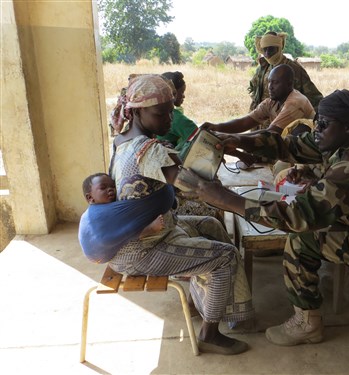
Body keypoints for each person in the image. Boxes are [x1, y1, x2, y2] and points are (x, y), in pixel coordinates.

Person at [176, 89, 349, 347]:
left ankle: (307, 324)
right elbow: (286, 146)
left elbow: (298, 217)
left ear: (346, 128)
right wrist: (236, 140)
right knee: (317, 212)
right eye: (317, 121)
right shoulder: (346, 141)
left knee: (302, 240)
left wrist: (226, 199)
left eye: (323, 124)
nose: (317, 129)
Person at [81, 74, 254, 355]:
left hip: (140, 236)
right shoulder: (148, 151)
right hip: (140, 250)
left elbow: (175, 174)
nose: (169, 120)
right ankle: (210, 333)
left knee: (210, 224)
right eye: (161, 113)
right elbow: (197, 187)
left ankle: (209, 305)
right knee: (226, 257)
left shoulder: (122, 139)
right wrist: (248, 208)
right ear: (137, 111)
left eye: (171, 111)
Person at [202, 64, 315, 168]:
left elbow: (271, 134)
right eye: (269, 82)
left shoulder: (294, 103)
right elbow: (245, 122)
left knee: (280, 168)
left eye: (275, 82)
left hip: (306, 154)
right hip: (285, 148)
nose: (270, 87)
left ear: (289, 84)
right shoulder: (272, 102)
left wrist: (233, 138)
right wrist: (217, 127)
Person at [248, 31, 323, 114]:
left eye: (271, 49)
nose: (267, 53)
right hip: (262, 118)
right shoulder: (262, 68)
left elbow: (314, 97)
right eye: (265, 49)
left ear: (279, 48)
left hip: (286, 119)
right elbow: (253, 89)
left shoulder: (294, 68)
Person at [82, 172, 165, 238]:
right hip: (99, 250)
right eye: (103, 188)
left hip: (98, 253)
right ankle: (149, 229)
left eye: (113, 186)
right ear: (90, 197)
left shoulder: (112, 206)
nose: (110, 189)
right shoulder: (98, 214)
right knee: (122, 232)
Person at [156, 71, 198, 159]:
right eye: (181, 92)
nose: (184, 96)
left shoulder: (158, 112)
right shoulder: (174, 116)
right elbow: (199, 135)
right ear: (172, 93)